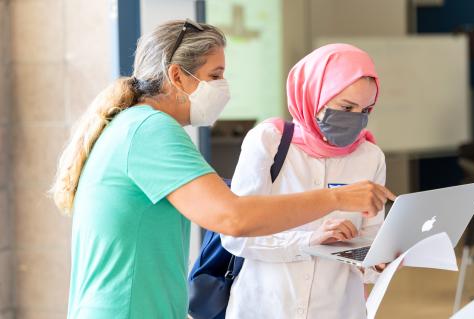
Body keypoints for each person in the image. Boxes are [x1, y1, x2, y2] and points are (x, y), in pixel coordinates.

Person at [49, 20, 394, 319]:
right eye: (215, 75)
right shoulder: (151, 130)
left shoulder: (136, 126)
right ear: (176, 76)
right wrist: (335, 198)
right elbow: (234, 219)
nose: (223, 87)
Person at [221, 44, 388, 319]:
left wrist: (378, 261)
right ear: (313, 93)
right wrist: (310, 240)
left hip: (337, 309)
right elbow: (236, 235)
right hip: (265, 306)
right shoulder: (269, 142)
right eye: (346, 107)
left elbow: (370, 243)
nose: (356, 119)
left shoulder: (370, 156)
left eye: (366, 109)